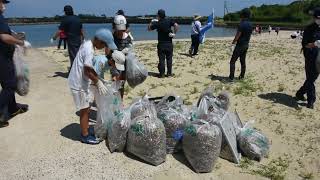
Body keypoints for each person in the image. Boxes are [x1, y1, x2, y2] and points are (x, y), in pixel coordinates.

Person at [68, 28, 117, 144]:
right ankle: (84, 135)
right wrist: (98, 83)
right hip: (78, 83)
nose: (104, 47)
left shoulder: (88, 45)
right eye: (104, 44)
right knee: (85, 110)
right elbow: (87, 71)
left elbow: (90, 69)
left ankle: (85, 129)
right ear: (98, 40)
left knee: (87, 108)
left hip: (80, 81)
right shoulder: (89, 50)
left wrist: (99, 80)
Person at [0, 0, 31, 128]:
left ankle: (12, 108)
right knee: (10, 85)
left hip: (4, 56)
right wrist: (22, 43)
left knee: (9, 82)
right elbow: (3, 37)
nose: (4, 5)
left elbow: (6, 33)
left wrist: (14, 36)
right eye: (2, 2)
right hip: (2, 57)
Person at [295, 7, 320, 109]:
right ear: (314, 18)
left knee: (313, 78)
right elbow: (305, 44)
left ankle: (300, 92)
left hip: (319, 58)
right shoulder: (309, 29)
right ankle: (311, 100)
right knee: (310, 79)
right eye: (318, 17)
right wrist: (315, 44)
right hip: (310, 57)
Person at [148, 9, 179, 78]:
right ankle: (169, 74)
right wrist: (174, 33)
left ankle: (162, 74)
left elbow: (149, 29)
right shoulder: (169, 20)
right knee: (169, 59)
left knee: (161, 59)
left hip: (161, 44)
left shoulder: (157, 23)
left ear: (158, 15)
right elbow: (176, 25)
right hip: (169, 43)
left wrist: (151, 22)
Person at [53, 5, 84, 71]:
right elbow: (81, 30)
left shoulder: (65, 19)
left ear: (65, 12)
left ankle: (75, 71)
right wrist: (83, 38)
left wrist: (54, 38)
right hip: (79, 39)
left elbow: (60, 31)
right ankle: (80, 69)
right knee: (79, 54)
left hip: (71, 40)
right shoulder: (77, 18)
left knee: (73, 55)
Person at [229, 8, 252, 81]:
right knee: (243, 61)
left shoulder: (241, 24)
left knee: (232, 61)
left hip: (240, 45)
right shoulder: (250, 24)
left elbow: (238, 35)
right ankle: (242, 76)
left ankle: (231, 78)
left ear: (243, 15)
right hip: (246, 44)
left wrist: (233, 43)